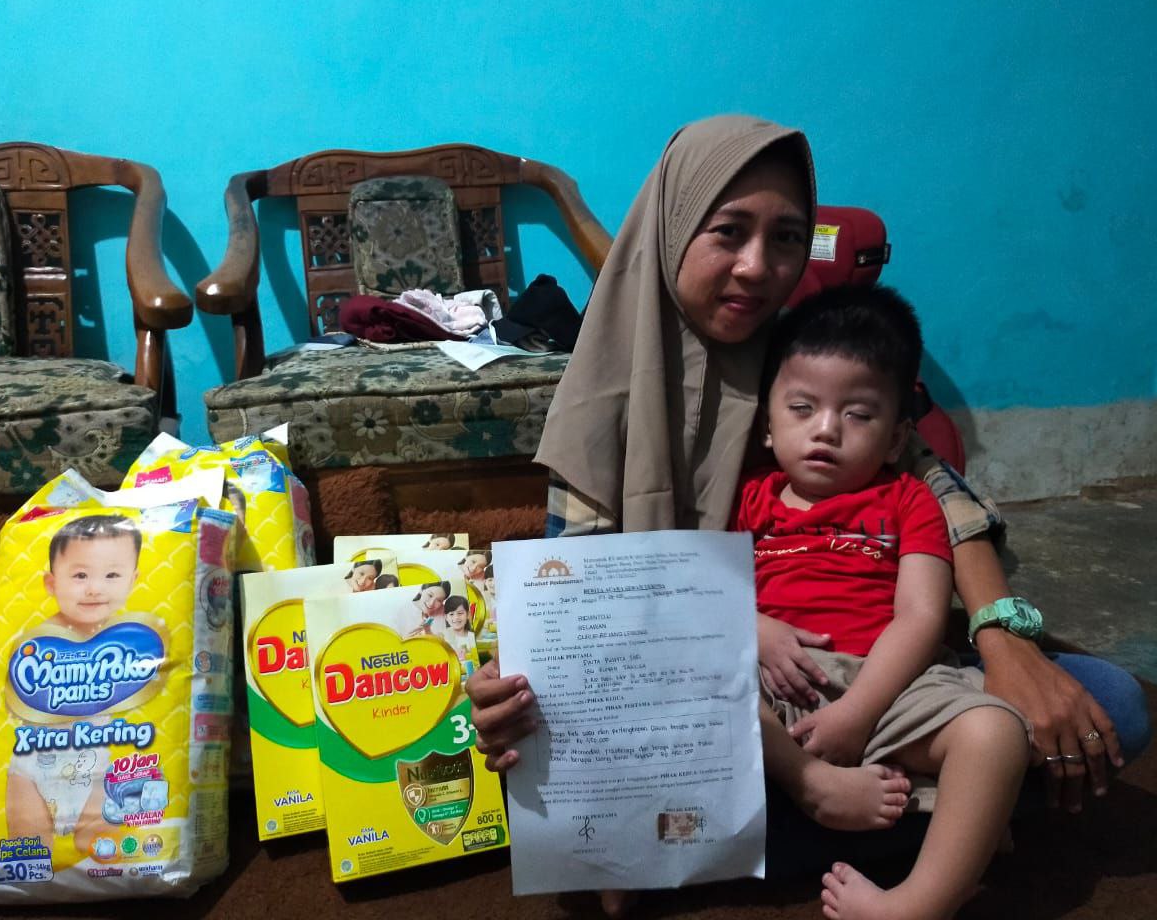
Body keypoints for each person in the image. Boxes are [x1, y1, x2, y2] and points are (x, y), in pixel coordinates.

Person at [465, 115, 1148, 911]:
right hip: (715, 690)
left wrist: (1004, 638)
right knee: (536, 780)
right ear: (673, 228)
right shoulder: (602, 403)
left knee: (1111, 706)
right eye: (728, 232)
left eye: (787, 238)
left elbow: (940, 499)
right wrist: (521, 694)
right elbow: (584, 610)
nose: (758, 267)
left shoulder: (807, 357)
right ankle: (898, 816)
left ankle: (756, 838)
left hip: (863, 675)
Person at [741, 285, 1028, 919]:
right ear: (766, 424)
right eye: (802, 407)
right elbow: (704, 599)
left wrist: (857, 713)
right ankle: (815, 788)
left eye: (858, 415)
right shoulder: (749, 501)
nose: (826, 429)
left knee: (997, 733)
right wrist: (755, 626)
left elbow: (922, 617)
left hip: (891, 687)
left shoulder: (910, 500)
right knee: (695, 688)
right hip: (772, 691)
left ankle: (916, 905)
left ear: (897, 438)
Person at [6, 514, 141, 852]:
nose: (95, 588)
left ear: (132, 581)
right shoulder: (39, 639)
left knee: (95, 846)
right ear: (52, 584)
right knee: (30, 845)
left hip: (95, 765)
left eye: (112, 575)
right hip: (32, 765)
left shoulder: (129, 637)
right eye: (80, 575)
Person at [442, 595, 478, 671]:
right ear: (446, 617)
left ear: (468, 615)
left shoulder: (472, 637)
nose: (456, 617)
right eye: (451, 614)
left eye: (460, 613)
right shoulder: (443, 637)